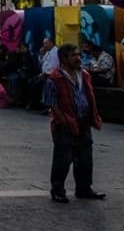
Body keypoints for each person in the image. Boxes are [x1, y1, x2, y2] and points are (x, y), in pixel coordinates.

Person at [45, 43, 105, 203]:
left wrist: (93, 115)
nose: (78, 58)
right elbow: (51, 103)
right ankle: (58, 190)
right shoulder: (54, 77)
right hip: (65, 123)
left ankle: (84, 188)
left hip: (84, 120)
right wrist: (63, 120)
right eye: (74, 56)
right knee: (62, 159)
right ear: (64, 59)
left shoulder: (84, 74)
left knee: (85, 158)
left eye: (78, 55)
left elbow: (89, 94)